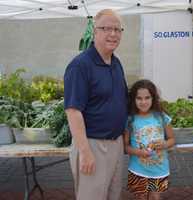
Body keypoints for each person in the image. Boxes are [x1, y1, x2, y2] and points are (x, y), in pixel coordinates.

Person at [64, 9, 128, 200]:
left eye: (118, 29)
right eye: (107, 28)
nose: (113, 34)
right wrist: (85, 152)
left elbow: (120, 100)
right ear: (95, 32)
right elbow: (73, 111)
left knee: (113, 195)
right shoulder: (80, 65)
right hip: (92, 144)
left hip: (115, 145)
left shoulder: (116, 63)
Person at [124, 79, 175, 200]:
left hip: (159, 169)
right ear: (133, 99)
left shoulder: (162, 117)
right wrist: (139, 152)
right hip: (138, 169)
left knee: (155, 197)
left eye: (147, 98)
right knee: (141, 197)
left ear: (153, 98)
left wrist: (164, 144)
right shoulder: (130, 119)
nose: (143, 102)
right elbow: (125, 147)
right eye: (139, 98)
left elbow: (172, 139)